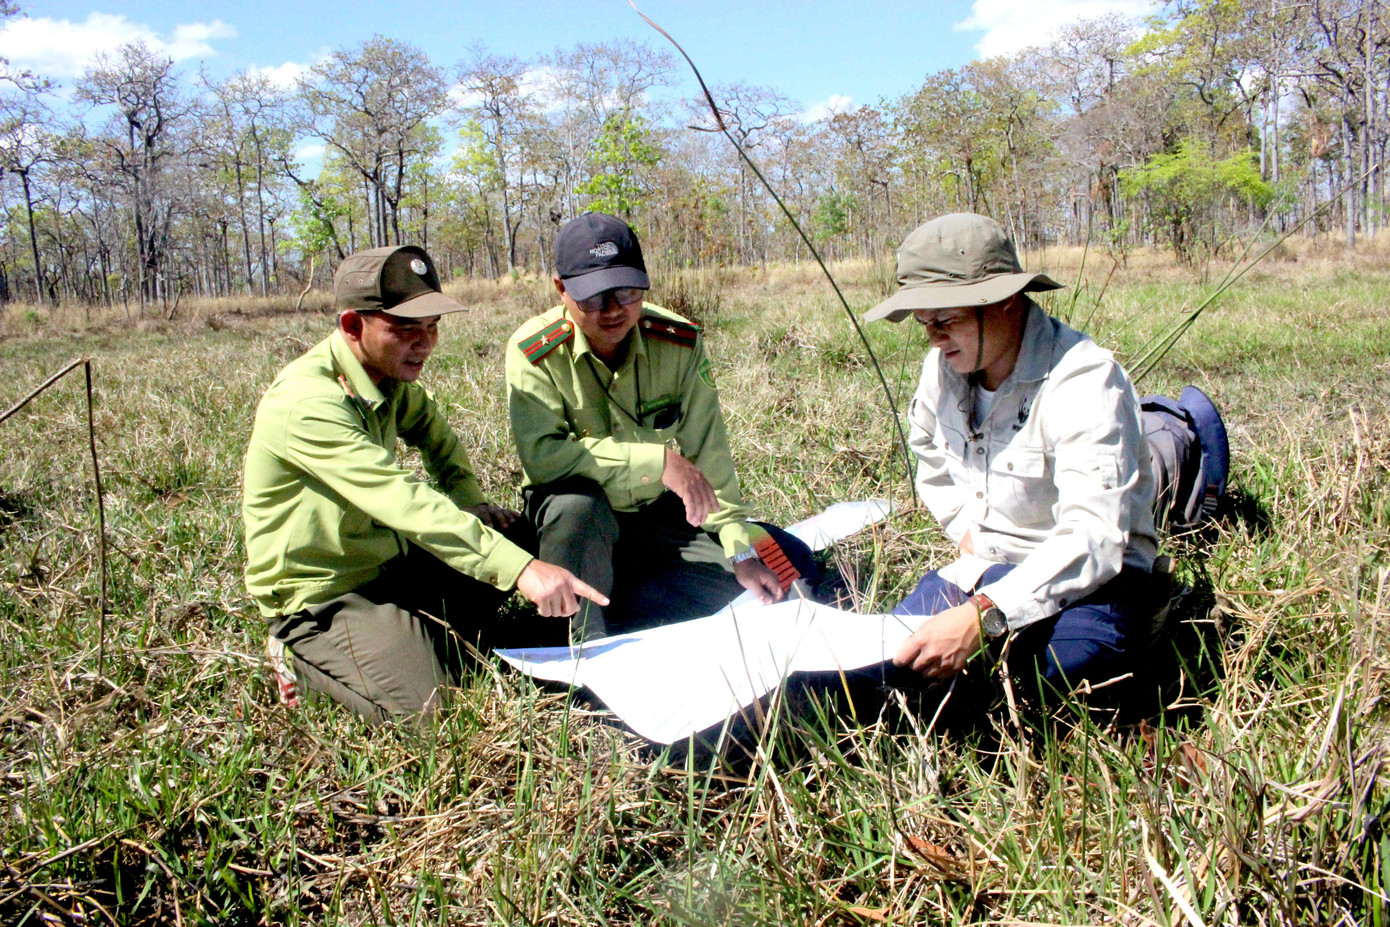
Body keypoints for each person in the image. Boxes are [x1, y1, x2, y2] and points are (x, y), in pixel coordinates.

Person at [243, 244, 606, 723]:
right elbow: (404, 503)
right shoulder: (308, 402)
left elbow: (439, 442)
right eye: (406, 329)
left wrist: (471, 502)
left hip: (395, 568)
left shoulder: (388, 377)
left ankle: (423, 638)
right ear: (353, 326)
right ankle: (301, 657)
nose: (426, 343)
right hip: (327, 596)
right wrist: (521, 571)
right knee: (433, 712)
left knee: (515, 531)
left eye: (433, 326)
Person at [866, 213, 1227, 693]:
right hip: (988, 567)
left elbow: (1094, 539)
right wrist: (964, 529)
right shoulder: (942, 369)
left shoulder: (1086, 379)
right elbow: (928, 450)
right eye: (923, 322)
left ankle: (1187, 440)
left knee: (1046, 680)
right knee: (892, 662)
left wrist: (983, 617)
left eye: (946, 319)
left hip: (1095, 578)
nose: (933, 337)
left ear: (1006, 301)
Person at [505, 213, 814, 642]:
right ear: (561, 289)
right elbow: (544, 458)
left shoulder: (676, 341)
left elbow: (710, 452)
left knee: (767, 582)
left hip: (654, 514)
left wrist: (739, 550)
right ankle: (582, 652)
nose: (614, 311)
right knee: (575, 509)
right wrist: (657, 461)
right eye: (594, 298)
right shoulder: (534, 352)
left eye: (627, 292)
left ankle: (625, 593)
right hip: (579, 519)